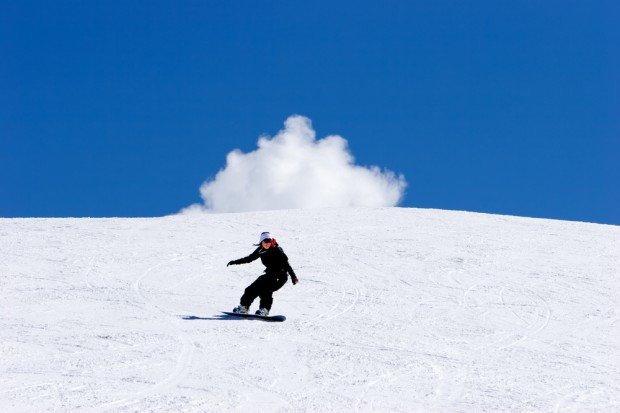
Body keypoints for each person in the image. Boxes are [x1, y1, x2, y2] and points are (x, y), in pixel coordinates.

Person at [227, 232, 299, 316]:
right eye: (265, 242)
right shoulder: (260, 250)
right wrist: (234, 262)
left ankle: (264, 310)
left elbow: (286, 265)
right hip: (269, 275)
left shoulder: (277, 250)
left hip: (280, 277)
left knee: (265, 291)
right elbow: (249, 258)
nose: (268, 244)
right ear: (261, 242)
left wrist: (293, 277)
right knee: (250, 289)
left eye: (269, 241)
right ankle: (244, 307)